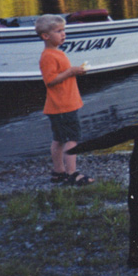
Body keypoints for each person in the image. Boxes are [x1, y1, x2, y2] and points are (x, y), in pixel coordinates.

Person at [35, 14, 94, 186]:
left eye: (63, 30)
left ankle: (58, 172)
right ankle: (72, 173)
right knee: (72, 139)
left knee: (59, 139)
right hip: (63, 106)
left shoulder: (56, 52)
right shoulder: (48, 56)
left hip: (61, 105)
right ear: (46, 36)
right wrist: (71, 72)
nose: (63, 34)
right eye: (58, 31)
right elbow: (50, 81)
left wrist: (74, 71)